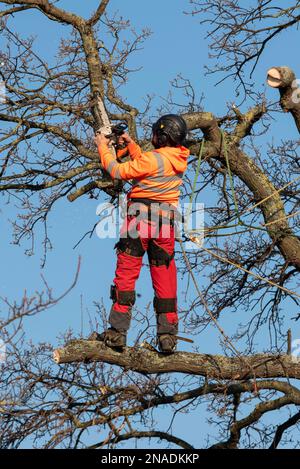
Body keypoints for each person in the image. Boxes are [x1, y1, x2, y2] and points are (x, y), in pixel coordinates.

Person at [93, 114, 189, 353]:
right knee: (165, 276)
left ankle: (117, 333)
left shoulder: (154, 159)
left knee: (126, 273)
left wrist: (103, 148)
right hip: (165, 225)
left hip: (140, 221)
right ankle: (167, 337)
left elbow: (116, 170)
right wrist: (131, 145)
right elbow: (150, 165)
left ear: (162, 136)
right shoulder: (177, 157)